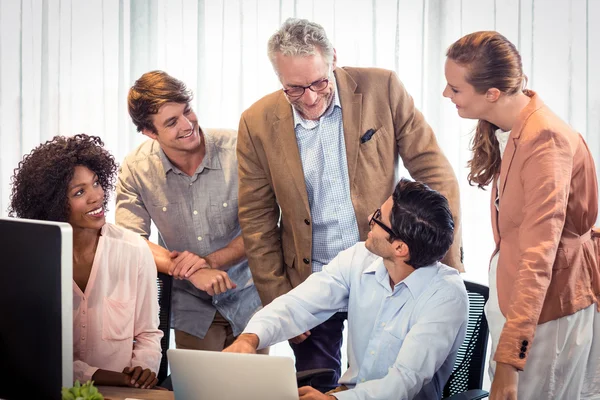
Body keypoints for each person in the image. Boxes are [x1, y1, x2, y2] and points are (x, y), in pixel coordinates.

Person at [236, 17, 464, 382]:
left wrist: (443, 260)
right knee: (315, 385)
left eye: (319, 83)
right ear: (279, 77)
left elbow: (436, 174)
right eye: (294, 88)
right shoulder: (256, 121)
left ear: (333, 61)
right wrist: (277, 298)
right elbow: (257, 218)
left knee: (384, 379)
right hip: (312, 278)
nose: (309, 98)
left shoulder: (382, 88)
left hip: (387, 271)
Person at [443, 31, 600, 400]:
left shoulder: (545, 140)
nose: (446, 95)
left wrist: (509, 363)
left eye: (455, 88)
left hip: (547, 311)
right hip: (521, 305)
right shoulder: (510, 127)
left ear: (492, 94)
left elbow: (539, 256)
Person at [224, 178, 468, 400]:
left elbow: (403, 381)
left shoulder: (446, 296)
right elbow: (298, 304)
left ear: (400, 248)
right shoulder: (359, 258)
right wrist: (250, 338)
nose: (368, 220)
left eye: (378, 219)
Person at [116, 70, 264, 353]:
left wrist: (208, 263)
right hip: (191, 306)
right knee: (199, 391)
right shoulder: (136, 168)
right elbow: (129, 240)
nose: (187, 124)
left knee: (251, 390)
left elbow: (262, 227)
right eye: (172, 122)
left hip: (249, 299)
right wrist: (189, 272)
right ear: (149, 132)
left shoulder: (239, 149)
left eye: (188, 111)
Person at [8, 134, 163, 389]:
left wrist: (142, 370)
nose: (97, 196)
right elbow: (33, 350)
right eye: (79, 192)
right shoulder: (33, 259)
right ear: (54, 204)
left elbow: (148, 334)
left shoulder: (134, 250)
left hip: (120, 392)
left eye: (96, 183)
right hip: (49, 389)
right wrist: (101, 375)